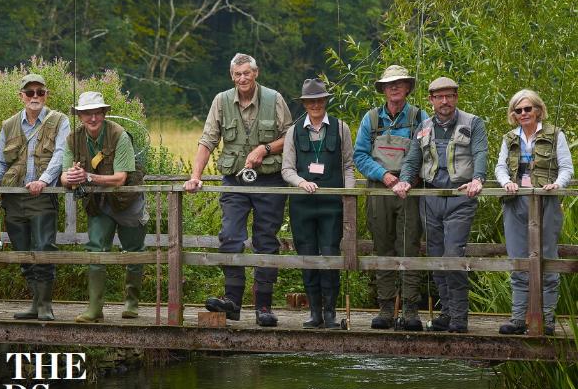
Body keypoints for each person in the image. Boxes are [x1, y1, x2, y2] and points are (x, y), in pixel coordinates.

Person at [183, 53, 292, 327]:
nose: (242, 78)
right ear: (232, 76)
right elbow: (207, 141)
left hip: (270, 181)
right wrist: (195, 176)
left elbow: (291, 136)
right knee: (230, 236)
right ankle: (232, 302)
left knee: (266, 240)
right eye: (237, 74)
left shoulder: (274, 99)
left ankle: (264, 306)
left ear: (256, 73)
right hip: (234, 181)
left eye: (246, 73)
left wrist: (264, 149)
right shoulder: (221, 101)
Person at [392, 77, 488, 333]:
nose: (444, 101)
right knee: (435, 258)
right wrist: (404, 181)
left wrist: (478, 179)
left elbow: (480, 153)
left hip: (460, 197)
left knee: (453, 256)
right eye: (439, 97)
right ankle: (445, 311)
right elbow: (413, 159)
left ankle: (459, 317)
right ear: (431, 100)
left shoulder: (473, 123)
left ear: (456, 97)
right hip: (430, 198)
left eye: (449, 96)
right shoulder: (423, 127)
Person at [353, 65, 428, 331]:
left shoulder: (420, 116)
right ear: (383, 90)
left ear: (407, 87)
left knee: (410, 247)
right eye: (389, 84)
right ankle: (385, 308)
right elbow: (359, 155)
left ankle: (410, 310)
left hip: (410, 190)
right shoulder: (371, 119)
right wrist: (384, 175)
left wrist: (409, 180)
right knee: (382, 246)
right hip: (380, 189)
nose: (394, 88)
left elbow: (426, 153)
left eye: (399, 83)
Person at [61, 91, 146, 323]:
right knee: (95, 251)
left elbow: (120, 179)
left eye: (97, 112)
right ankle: (95, 309)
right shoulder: (72, 139)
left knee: (134, 252)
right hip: (99, 203)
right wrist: (72, 177)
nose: (93, 118)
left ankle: (132, 304)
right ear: (80, 116)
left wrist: (87, 176)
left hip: (128, 200)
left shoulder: (119, 135)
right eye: (87, 113)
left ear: (104, 113)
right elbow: (63, 178)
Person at [0, 74, 70, 321]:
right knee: (23, 251)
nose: (35, 97)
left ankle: (46, 305)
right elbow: (0, 160)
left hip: (42, 197)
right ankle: (35, 303)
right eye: (30, 92)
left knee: (44, 248)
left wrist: (44, 180)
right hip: (13, 198)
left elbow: (60, 154)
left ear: (46, 95)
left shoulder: (60, 120)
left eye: (40, 92)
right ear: (21, 96)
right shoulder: (8, 124)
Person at [495, 89, 573, 336]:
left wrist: (557, 185)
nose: (523, 114)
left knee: (548, 259)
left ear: (538, 110)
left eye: (527, 109)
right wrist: (506, 182)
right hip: (516, 202)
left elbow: (566, 168)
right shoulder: (509, 138)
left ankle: (547, 320)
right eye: (518, 110)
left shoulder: (556, 134)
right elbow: (499, 167)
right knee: (518, 260)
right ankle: (518, 318)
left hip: (546, 202)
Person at [282, 78, 355, 329]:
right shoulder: (293, 131)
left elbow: (348, 166)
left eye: (319, 100)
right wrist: (300, 182)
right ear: (304, 104)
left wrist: (349, 197)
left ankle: (331, 313)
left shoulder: (341, 127)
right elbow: (286, 169)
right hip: (302, 205)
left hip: (332, 205)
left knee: (330, 255)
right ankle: (315, 313)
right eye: (310, 101)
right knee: (307, 256)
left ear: (325, 101)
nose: (315, 104)